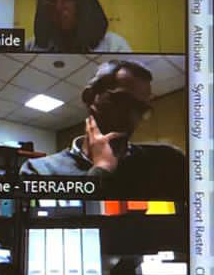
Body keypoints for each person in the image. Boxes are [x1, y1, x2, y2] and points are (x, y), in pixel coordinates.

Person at [19, 59, 185, 196]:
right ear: (89, 97)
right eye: (123, 102)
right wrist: (102, 170)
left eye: (141, 109)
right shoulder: (39, 171)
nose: (133, 118)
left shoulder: (168, 160)